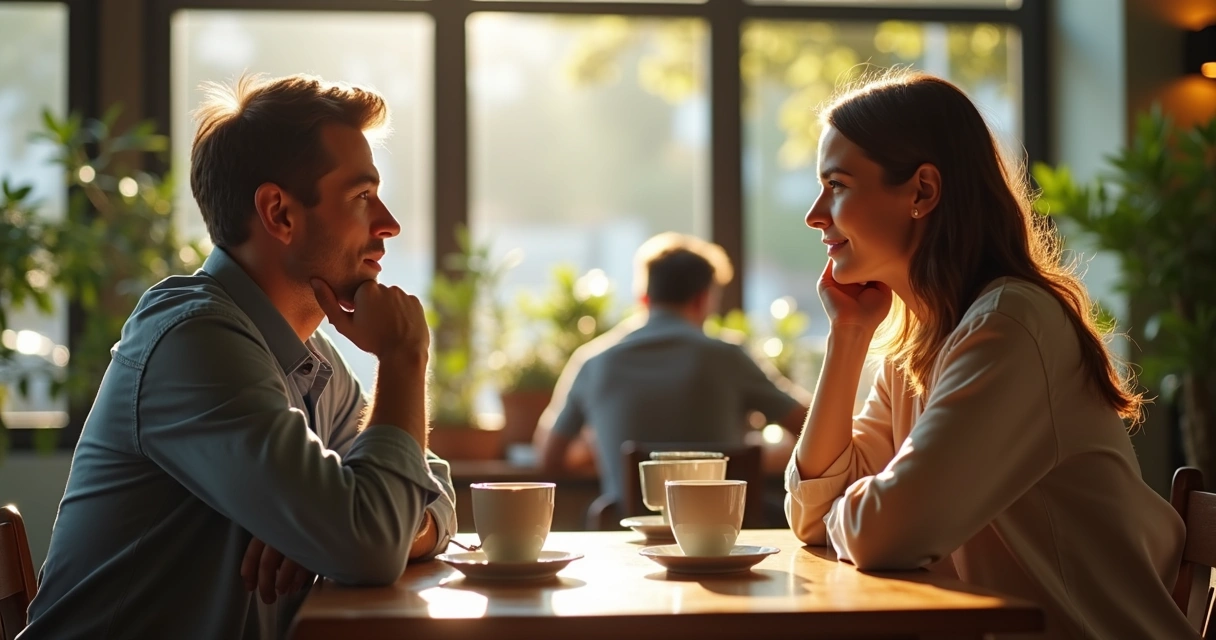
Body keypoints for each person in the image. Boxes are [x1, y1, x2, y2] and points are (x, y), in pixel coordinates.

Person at [21, 74, 456, 640]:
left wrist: (362, 529)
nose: (388, 225)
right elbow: (370, 544)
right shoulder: (194, 340)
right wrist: (402, 357)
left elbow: (431, 490)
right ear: (278, 213)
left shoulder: (308, 355)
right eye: (362, 197)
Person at [785, 71, 1195, 639]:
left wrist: (854, 510)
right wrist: (848, 337)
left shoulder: (1009, 326)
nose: (815, 214)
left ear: (922, 192)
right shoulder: (927, 338)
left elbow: (889, 534)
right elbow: (810, 514)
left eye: (837, 185)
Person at [540, 232, 810, 508]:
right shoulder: (727, 357)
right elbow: (811, 427)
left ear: (643, 298)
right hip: (725, 536)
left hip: (630, 538)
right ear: (703, 299)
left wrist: (603, 451)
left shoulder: (594, 362)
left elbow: (549, 457)